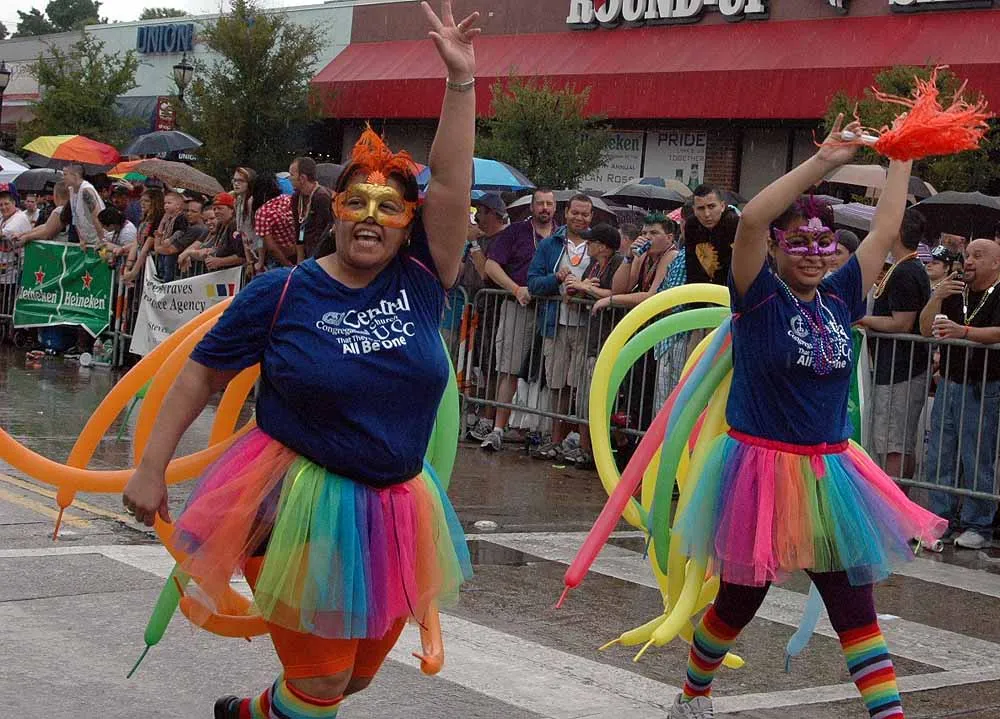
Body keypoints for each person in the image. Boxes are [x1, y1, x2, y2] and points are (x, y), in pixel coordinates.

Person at [123, 7, 478, 717]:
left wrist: (461, 83)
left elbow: (449, 184)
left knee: (354, 679)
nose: (371, 216)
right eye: (357, 202)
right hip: (295, 502)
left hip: (397, 505)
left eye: (388, 206)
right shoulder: (282, 292)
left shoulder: (422, 280)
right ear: (335, 210)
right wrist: (152, 466)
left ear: (407, 222)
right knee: (320, 684)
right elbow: (200, 374)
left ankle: (247, 713)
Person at [667, 118, 945, 719]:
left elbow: (885, 231)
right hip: (760, 473)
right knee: (738, 603)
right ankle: (692, 695)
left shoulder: (842, 297)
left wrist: (901, 156)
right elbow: (751, 219)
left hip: (831, 477)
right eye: (799, 242)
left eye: (823, 243)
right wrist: (826, 161)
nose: (815, 254)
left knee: (855, 610)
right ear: (775, 248)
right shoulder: (758, 297)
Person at [919, 238, 1000, 550]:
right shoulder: (954, 290)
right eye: (967, 255)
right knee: (940, 454)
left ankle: (978, 524)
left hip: (984, 386)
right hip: (950, 383)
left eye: (978, 256)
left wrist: (964, 332)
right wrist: (937, 297)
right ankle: (941, 519)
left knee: (977, 456)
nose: (969, 261)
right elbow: (925, 329)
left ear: (996, 263)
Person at [477, 188, 556, 451]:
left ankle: (543, 432)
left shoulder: (562, 235)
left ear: (555, 208)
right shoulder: (516, 232)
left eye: (549, 204)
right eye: (540, 203)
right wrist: (515, 289)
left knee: (551, 375)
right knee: (508, 369)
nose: (544, 208)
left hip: (552, 311)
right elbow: (490, 266)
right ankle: (497, 429)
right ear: (532, 207)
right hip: (518, 306)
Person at [858, 209, 931, 484]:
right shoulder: (906, 267)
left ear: (897, 233)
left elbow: (902, 323)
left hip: (900, 370)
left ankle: (892, 500)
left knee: (893, 441)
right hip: (899, 367)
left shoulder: (906, 272)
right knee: (897, 439)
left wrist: (862, 320)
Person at [527, 193, 593, 460]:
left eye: (585, 214)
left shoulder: (598, 244)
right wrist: (555, 278)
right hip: (555, 323)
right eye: (575, 212)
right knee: (557, 385)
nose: (579, 218)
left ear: (591, 216)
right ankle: (555, 440)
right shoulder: (550, 244)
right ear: (566, 213)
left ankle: (583, 445)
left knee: (582, 386)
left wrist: (585, 292)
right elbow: (533, 283)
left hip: (587, 326)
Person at [563, 222, 624, 468]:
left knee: (604, 398)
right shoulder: (592, 265)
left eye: (592, 241)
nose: (588, 244)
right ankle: (585, 447)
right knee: (584, 396)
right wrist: (576, 288)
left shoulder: (618, 263)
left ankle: (604, 451)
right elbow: (577, 293)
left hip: (609, 337)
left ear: (604, 247)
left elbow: (617, 293)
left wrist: (586, 288)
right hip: (592, 337)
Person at [178, 193, 246, 273]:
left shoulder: (234, 225)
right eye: (214, 209)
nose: (216, 211)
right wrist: (190, 253)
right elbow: (216, 249)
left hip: (235, 274)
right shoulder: (221, 225)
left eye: (220, 208)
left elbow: (242, 257)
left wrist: (220, 261)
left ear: (231, 209)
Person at [290, 156, 334, 262]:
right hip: (306, 251)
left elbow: (326, 231)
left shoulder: (322, 197)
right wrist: (300, 259)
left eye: (292, 175)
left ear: (302, 178)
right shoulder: (296, 197)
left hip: (322, 255)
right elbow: (299, 228)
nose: (289, 178)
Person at [12, 182, 71, 247]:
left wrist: (26, 237)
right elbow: (45, 226)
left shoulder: (60, 210)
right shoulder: (69, 209)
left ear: (56, 196)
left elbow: (46, 233)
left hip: (59, 249)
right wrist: (23, 234)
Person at [63, 164, 105, 251]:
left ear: (75, 175)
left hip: (98, 239)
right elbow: (75, 216)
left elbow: (97, 216)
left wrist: (103, 240)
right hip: (88, 241)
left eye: (65, 174)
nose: (63, 178)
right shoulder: (71, 190)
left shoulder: (86, 190)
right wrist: (81, 238)